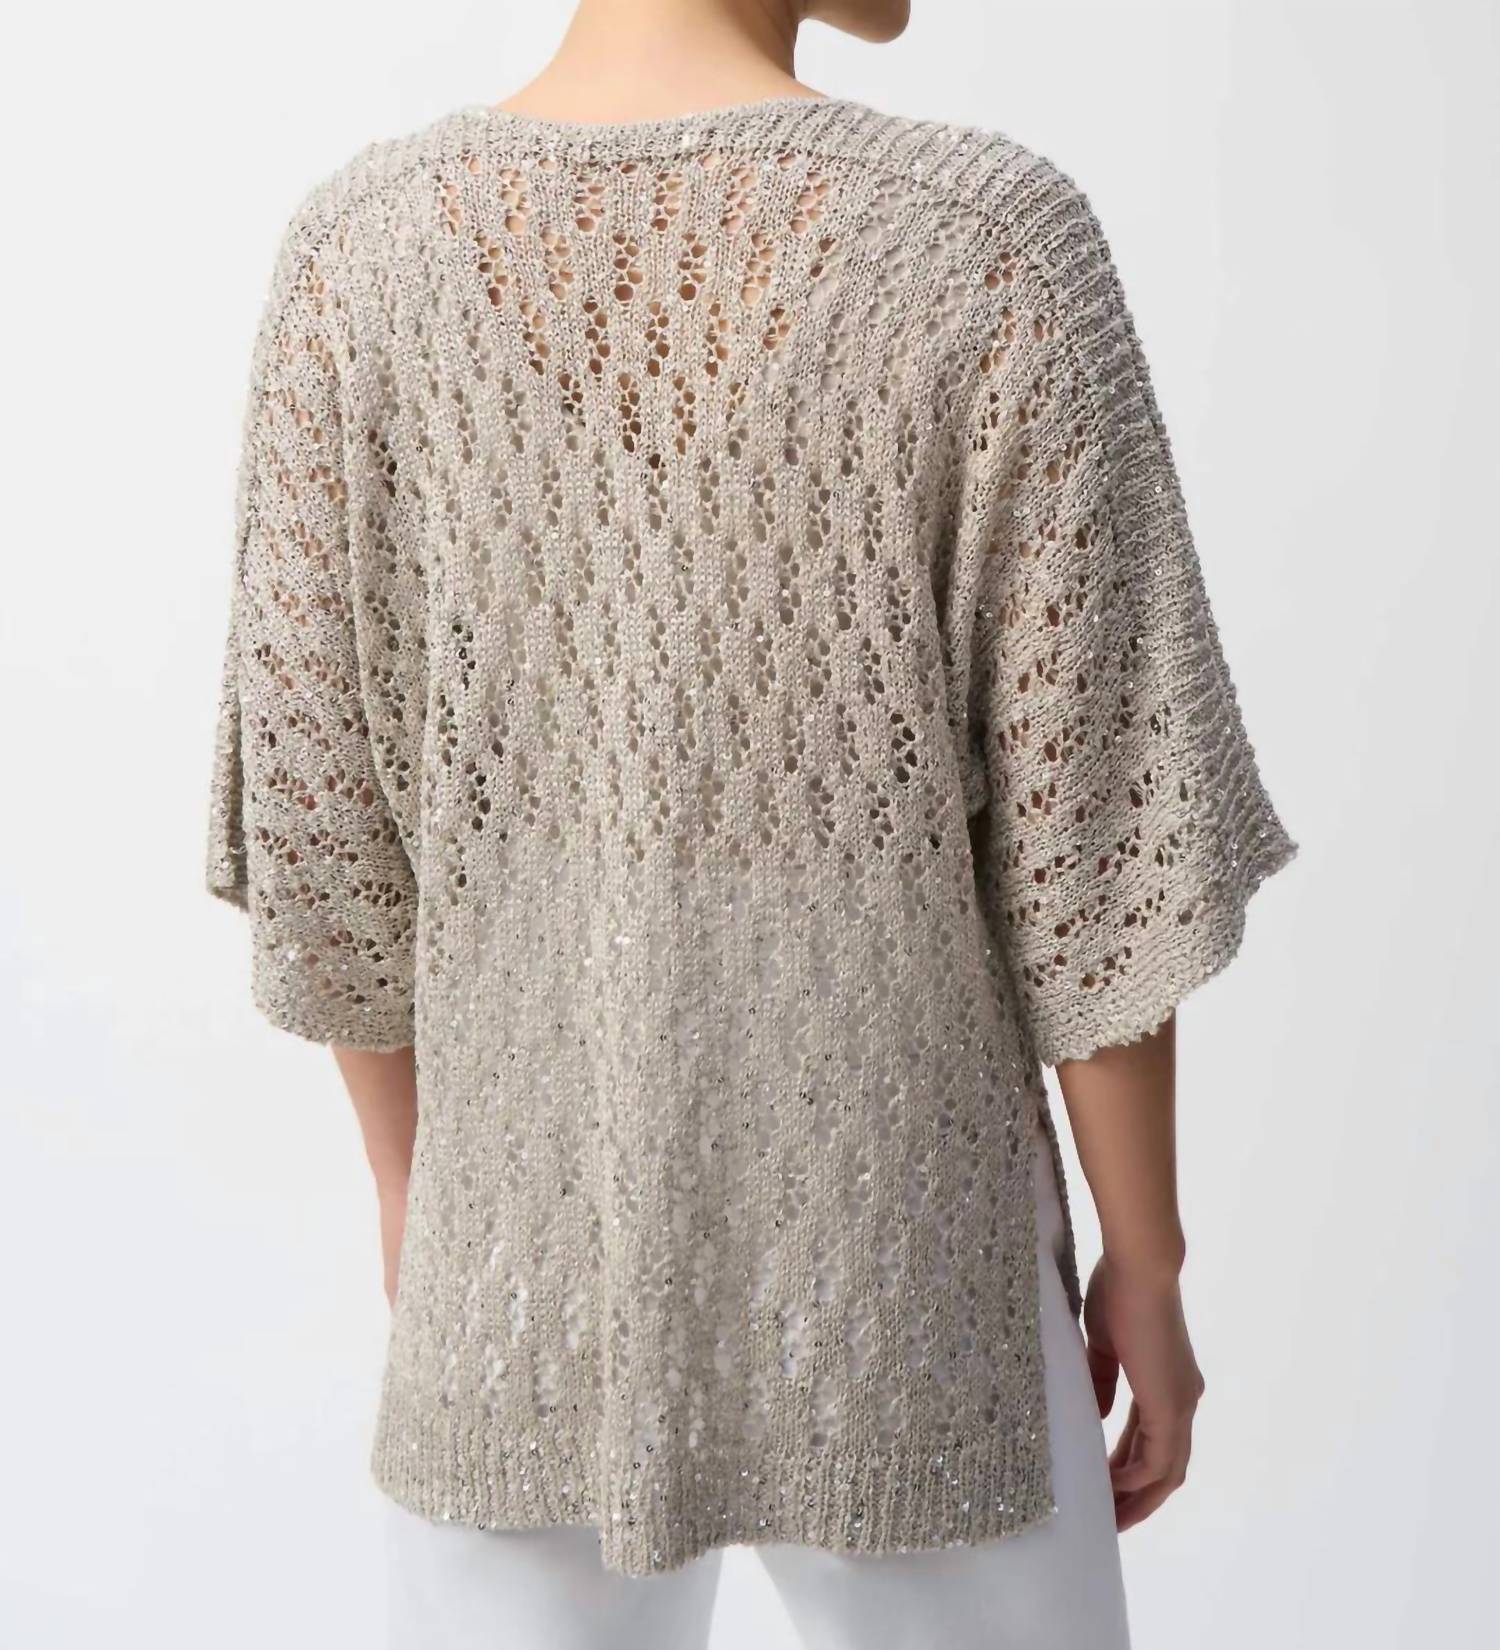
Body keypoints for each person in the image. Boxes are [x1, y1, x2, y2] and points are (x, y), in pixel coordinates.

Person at [203, 1, 1298, 1645]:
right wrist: (1146, 1262)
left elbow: (329, 840)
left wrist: (418, 1199)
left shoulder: (357, 258)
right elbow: (1098, 855)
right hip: (915, 1275)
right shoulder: (988, 247)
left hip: (512, 1278)